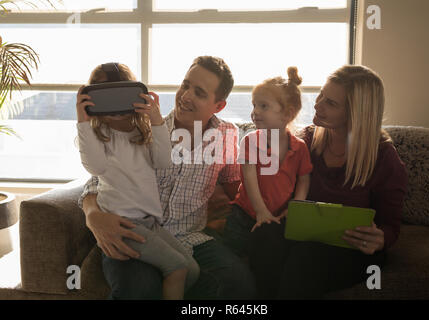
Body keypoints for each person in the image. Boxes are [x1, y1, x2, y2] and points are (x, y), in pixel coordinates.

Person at [77, 56, 256, 299]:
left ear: (218, 106)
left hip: (192, 237)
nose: (186, 96)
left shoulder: (227, 137)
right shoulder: (143, 126)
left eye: (199, 93)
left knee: (239, 282)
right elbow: (98, 179)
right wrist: (93, 216)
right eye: (185, 85)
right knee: (140, 289)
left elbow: (235, 185)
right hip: (135, 230)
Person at [248, 65, 408, 299]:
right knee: (264, 235)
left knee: (305, 258)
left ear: (356, 113)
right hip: (306, 235)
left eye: (330, 103)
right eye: (321, 94)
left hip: (350, 247)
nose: (317, 104)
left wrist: (380, 237)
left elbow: (391, 225)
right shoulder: (308, 140)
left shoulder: (384, 158)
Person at [76, 63, 199, 300]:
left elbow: (164, 161)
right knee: (177, 268)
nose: (115, 108)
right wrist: (83, 122)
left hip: (150, 222)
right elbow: (95, 167)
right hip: (123, 224)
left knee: (191, 270)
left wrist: (156, 121)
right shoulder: (100, 137)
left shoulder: (141, 134)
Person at [223, 67, 313, 258]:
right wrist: (260, 211)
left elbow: (304, 178)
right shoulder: (250, 141)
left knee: (270, 256)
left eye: (263, 106)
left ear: (287, 115)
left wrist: (296, 206)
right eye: (254, 105)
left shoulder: (300, 147)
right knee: (233, 252)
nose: (255, 112)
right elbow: (248, 177)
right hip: (244, 213)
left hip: (280, 216)